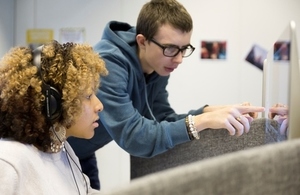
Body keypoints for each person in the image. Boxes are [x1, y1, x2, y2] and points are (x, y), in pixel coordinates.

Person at [68, 0, 265, 189]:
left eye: (183, 49)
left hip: (82, 153)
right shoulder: (109, 63)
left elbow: (161, 118)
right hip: (54, 150)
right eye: (170, 48)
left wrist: (210, 112)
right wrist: (203, 120)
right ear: (142, 41)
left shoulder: (158, 66)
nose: (179, 59)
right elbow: (134, 136)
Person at [0, 40, 108, 194]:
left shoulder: (63, 151)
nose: (99, 106)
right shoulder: (10, 161)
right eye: (88, 96)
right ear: (53, 104)